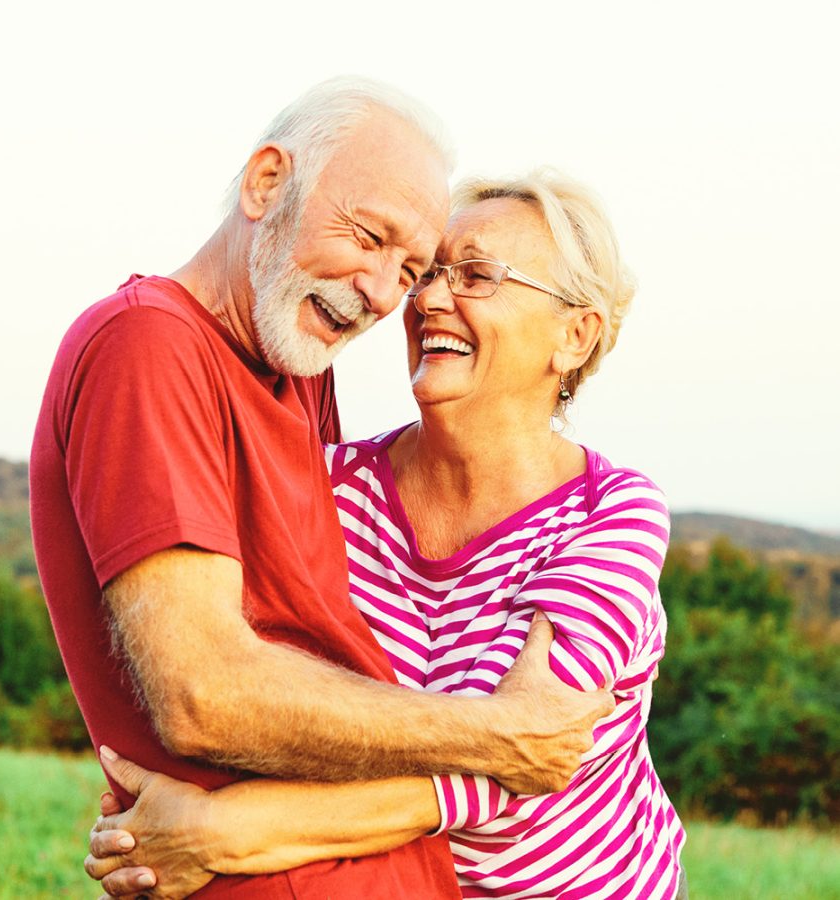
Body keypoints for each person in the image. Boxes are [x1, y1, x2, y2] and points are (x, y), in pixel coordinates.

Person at [30, 79, 613, 900]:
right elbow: (208, 693)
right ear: (266, 183)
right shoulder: (148, 345)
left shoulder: (293, 365)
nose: (383, 293)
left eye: (409, 269)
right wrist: (492, 734)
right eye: (369, 237)